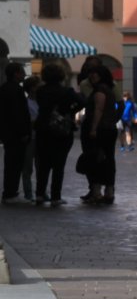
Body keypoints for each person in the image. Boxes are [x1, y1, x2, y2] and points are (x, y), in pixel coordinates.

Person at [32, 63, 80, 207]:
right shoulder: (67, 91)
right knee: (59, 164)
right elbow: (82, 102)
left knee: (43, 164)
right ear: (61, 75)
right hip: (61, 130)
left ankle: (40, 194)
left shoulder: (40, 91)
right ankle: (55, 196)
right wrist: (69, 111)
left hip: (43, 128)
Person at [81, 64, 118, 205]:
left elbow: (99, 109)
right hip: (110, 129)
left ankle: (97, 192)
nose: (91, 76)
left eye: (94, 73)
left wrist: (93, 128)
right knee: (109, 160)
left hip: (101, 130)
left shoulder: (100, 90)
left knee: (96, 159)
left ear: (101, 75)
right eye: (90, 73)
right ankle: (109, 190)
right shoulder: (109, 89)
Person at [0, 62, 30, 203]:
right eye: (22, 72)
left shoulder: (4, 88)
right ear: (15, 74)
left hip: (8, 132)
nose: (24, 74)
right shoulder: (16, 90)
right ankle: (10, 192)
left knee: (11, 163)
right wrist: (23, 132)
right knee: (15, 163)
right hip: (16, 134)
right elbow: (18, 114)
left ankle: (10, 191)